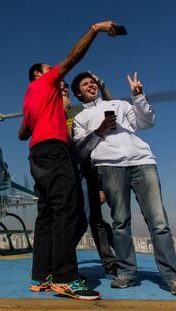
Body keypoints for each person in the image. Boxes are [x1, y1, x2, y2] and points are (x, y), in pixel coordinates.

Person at [18, 21, 118, 300]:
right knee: (67, 209)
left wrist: (50, 108)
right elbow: (75, 57)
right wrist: (95, 29)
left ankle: (41, 277)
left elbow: (22, 133)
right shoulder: (44, 81)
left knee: (47, 214)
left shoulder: (30, 99)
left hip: (37, 155)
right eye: (51, 69)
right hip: (54, 151)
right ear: (39, 73)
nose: (57, 74)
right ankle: (65, 277)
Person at [71, 71, 176, 295]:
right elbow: (80, 151)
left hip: (143, 162)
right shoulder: (80, 118)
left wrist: (138, 96)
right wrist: (99, 131)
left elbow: (147, 122)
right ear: (78, 93)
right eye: (85, 84)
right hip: (109, 167)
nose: (91, 85)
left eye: (93, 82)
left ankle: (171, 276)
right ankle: (127, 273)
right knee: (120, 222)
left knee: (159, 222)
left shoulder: (119, 104)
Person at [64, 76, 118, 276]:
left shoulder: (81, 112)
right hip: (66, 173)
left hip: (88, 170)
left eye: (66, 91)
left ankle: (110, 261)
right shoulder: (53, 115)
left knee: (95, 218)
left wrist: (101, 186)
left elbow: (112, 108)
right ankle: (62, 262)